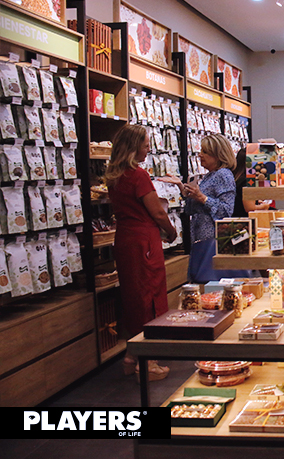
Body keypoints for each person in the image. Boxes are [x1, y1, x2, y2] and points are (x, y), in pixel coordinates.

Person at [106, 124, 177, 381]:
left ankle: (131, 356)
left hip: (125, 238)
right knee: (150, 296)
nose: (148, 150)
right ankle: (148, 363)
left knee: (133, 297)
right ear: (134, 147)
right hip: (144, 240)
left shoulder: (114, 176)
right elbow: (157, 211)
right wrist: (171, 231)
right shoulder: (138, 176)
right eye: (145, 145)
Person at [161, 134, 236, 283]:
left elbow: (226, 211)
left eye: (205, 152)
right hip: (201, 239)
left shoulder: (223, 175)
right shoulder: (209, 176)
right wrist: (184, 190)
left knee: (208, 281)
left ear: (218, 155)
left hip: (213, 241)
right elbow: (192, 210)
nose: (200, 155)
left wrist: (202, 197)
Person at [232, 147, 271, 218]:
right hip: (245, 220)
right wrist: (265, 206)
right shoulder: (247, 181)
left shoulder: (236, 178)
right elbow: (250, 208)